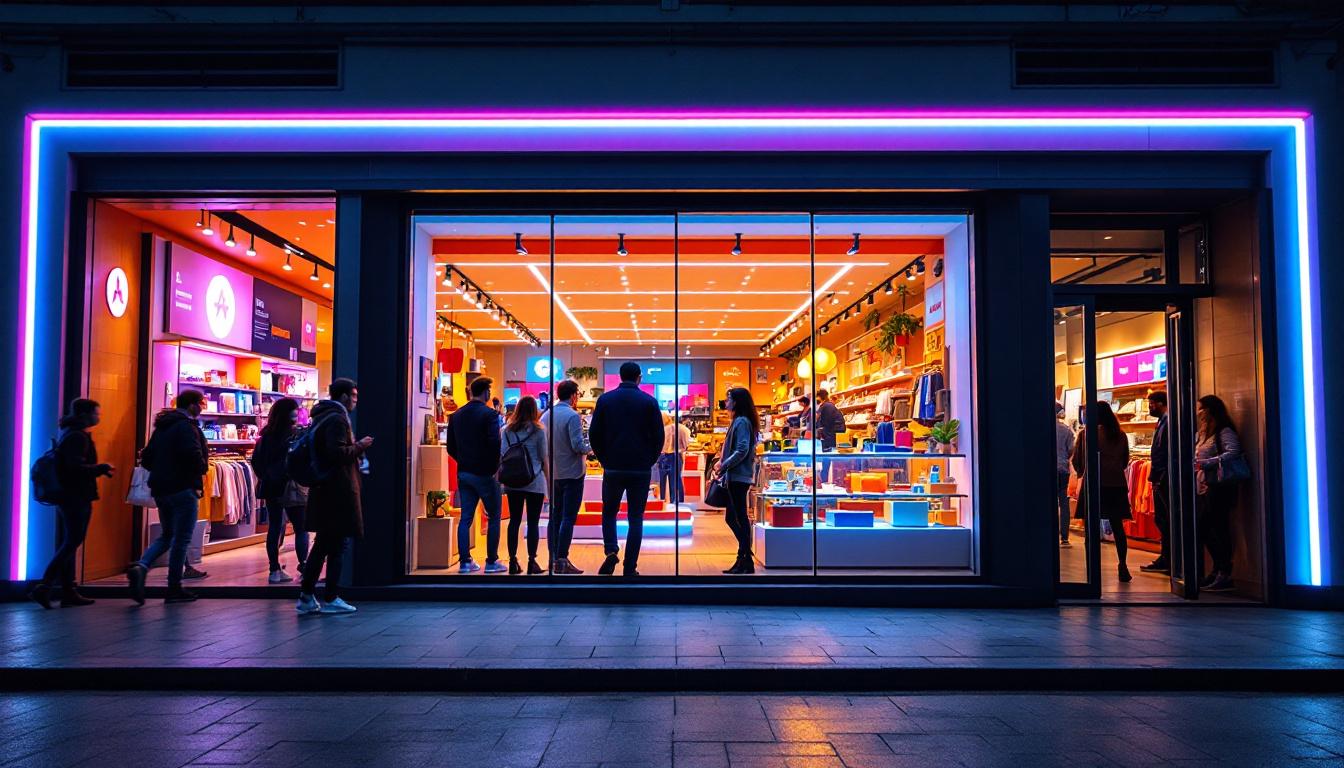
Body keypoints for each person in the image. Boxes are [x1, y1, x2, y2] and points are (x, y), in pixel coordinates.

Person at [296, 378, 373, 614]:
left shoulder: (322, 417)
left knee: (323, 545)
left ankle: (308, 595)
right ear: (343, 396)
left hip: (326, 490)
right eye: (354, 396)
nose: (356, 401)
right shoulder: (337, 420)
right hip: (337, 491)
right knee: (337, 545)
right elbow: (337, 453)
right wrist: (361, 445)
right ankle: (330, 596)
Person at [29, 398, 114, 608]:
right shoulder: (78, 437)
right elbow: (74, 469)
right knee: (72, 541)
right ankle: (46, 585)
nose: (98, 417)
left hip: (67, 495)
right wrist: (100, 468)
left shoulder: (68, 432)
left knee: (70, 541)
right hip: (76, 495)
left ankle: (68, 590)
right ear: (85, 415)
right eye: (96, 413)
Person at [127, 389, 209, 605]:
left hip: (161, 489)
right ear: (192, 405)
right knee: (181, 538)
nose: (202, 408)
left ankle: (141, 566)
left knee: (167, 535)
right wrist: (201, 468)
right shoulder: (187, 427)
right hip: (183, 488)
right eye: (200, 404)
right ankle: (174, 587)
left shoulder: (162, 427)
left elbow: (146, 459)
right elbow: (193, 456)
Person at [588, 362, 663, 577]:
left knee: (609, 512)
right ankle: (630, 566)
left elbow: (594, 434)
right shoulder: (649, 402)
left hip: (613, 467)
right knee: (636, 517)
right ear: (639, 377)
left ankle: (611, 549)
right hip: (640, 468)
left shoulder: (605, 400)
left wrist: (604, 459)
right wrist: (649, 460)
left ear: (620, 376)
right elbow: (659, 437)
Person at [446, 376, 504, 573]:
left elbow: (451, 447)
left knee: (465, 518)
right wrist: (494, 467)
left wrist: (464, 460)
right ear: (486, 392)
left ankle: (465, 562)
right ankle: (491, 561)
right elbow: (495, 443)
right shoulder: (489, 415)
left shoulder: (456, 415)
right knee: (494, 516)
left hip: (464, 472)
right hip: (485, 473)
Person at [1071, 401, 1133, 583]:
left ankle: (1092, 567)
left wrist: (1084, 471)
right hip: (1115, 483)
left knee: (1091, 526)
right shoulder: (1120, 435)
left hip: (1095, 483)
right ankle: (1123, 564)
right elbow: (1125, 461)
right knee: (1117, 527)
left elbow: (1078, 461)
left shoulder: (1086, 434)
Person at [251, 397, 310, 584]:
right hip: (291, 484)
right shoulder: (295, 435)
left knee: (275, 527)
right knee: (301, 527)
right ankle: (304, 565)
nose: (297, 412)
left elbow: (256, 462)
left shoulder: (266, 435)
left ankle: (274, 569)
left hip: (271, 485)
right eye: (294, 409)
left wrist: (267, 475)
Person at [1195, 394, 1243, 592]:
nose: (1198, 412)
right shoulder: (1205, 432)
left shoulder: (1224, 431)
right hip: (1207, 484)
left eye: (1200, 408)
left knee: (1214, 526)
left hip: (1220, 486)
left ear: (1209, 410)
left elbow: (1233, 452)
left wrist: (1207, 462)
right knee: (1207, 527)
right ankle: (1218, 569)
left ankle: (1224, 570)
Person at [541, 379, 589, 574]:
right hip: (572, 473)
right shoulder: (572, 416)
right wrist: (591, 448)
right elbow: (577, 445)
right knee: (568, 517)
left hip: (553, 473)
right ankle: (562, 559)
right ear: (573, 395)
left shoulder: (546, 416)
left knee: (555, 516)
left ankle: (553, 558)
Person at [501, 395, 549, 575]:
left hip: (513, 481)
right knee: (533, 522)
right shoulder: (538, 431)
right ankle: (532, 562)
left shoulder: (506, 430)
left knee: (514, 521)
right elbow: (544, 458)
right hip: (534, 480)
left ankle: (512, 561)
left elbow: (503, 454)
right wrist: (549, 483)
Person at [717, 387, 760, 574]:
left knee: (738, 517)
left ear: (736, 401)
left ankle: (745, 559)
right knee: (736, 517)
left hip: (738, 476)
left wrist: (723, 465)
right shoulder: (740, 421)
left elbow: (742, 449)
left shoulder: (741, 422)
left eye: (728, 399)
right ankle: (743, 558)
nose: (726, 402)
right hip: (736, 475)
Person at [1140, 391, 1171, 574]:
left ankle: (1169, 557)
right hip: (1159, 476)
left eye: (1151, 404)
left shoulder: (1168, 422)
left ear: (1160, 403)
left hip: (1164, 476)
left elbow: (1165, 452)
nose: (1150, 407)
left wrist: (1161, 475)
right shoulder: (1162, 422)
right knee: (1161, 519)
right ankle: (1166, 556)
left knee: (1166, 519)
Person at [657, 411, 692, 505]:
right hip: (677, 456)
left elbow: (658, 445)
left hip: (663, 455)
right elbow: (687, 442)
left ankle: (662, 501)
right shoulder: (682, 428)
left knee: (662, 481)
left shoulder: (662, 429)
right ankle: (678, 502)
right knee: (677, 480)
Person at [1055, 401, 1076, 548]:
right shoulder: (1067, 430)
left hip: (1047, 471)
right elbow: (1071, 450)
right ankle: (1065, 537)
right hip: (1062, 469)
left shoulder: (1041, 428)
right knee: (1064, 503)